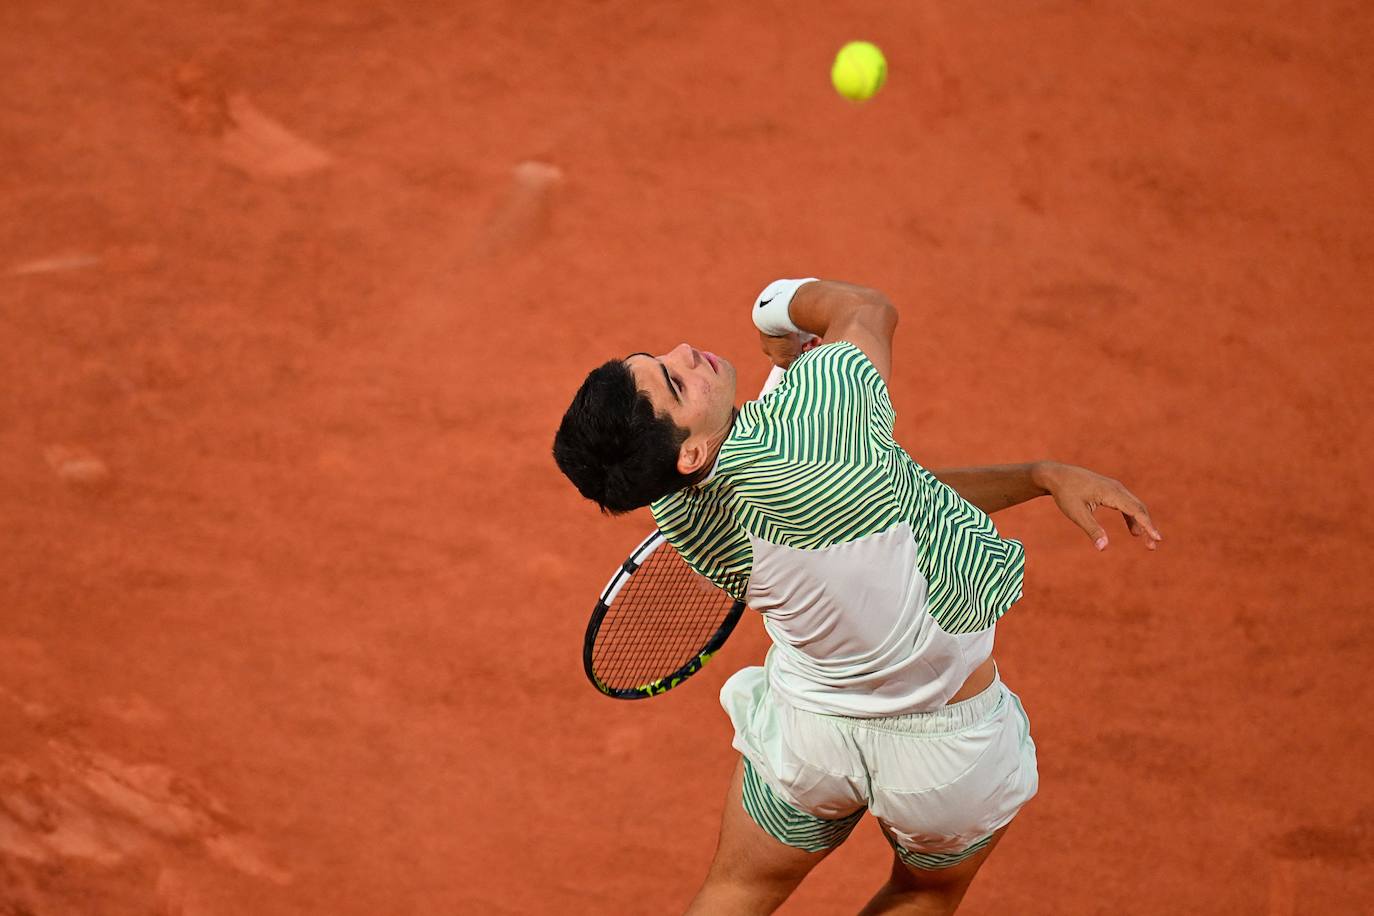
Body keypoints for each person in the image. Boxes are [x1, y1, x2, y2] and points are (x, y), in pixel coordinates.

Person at [553, 278, 1161, 915]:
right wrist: (777, 312)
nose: (683, 352)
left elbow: (894, 496)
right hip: (945, 759)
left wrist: (1038, 476)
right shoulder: (820, 420)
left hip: (807, 742)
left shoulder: (676, 508)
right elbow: (867, 311)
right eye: (675, 384)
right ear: (691, 452)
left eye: (659, 358)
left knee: (738, 890)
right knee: (925, 890)